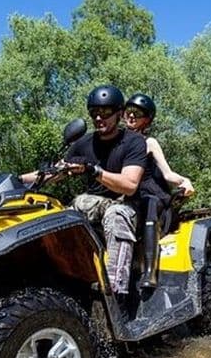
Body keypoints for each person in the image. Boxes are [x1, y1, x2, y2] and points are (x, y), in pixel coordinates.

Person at [21, 84, 147, 300]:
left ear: (118, 113)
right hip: (93, 204)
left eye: (106, 113)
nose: (99, 118)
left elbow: (129, 184)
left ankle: (116, 294)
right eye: (94, 113)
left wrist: (93, 170)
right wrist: (18, 179)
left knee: (116, 215)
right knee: (59, 215)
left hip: (127, 205)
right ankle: (57, 285)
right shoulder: (83, 143)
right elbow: (56, 172)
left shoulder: (133, 141)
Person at [124, 93, 194, 289]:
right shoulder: (117, 143)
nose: (131, 116)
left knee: (149, 202)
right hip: (129, 200)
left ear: (146, 120)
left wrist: (185, 181)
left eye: (137, 113)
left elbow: (168, 174)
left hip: (154, 200)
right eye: (128, 111)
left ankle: (149, 272)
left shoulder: (150, 142)